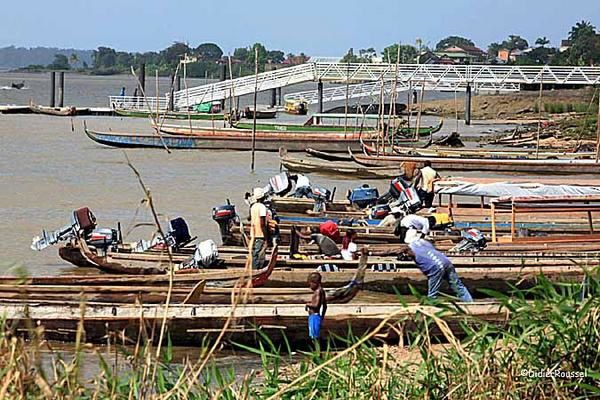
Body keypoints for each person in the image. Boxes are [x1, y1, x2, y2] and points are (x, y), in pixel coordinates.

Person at [403, 229, 473, 301]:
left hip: (435, 267)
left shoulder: (411, 247)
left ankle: (432, 305)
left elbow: (411, 254)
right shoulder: (425, 242)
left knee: (433, 292)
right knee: (458, 286)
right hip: (446, 262)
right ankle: (469, 302)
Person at [248, 187, 269, 269]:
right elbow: (262, 223)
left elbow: (250, 218)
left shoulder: (253, 206)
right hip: (260, 234)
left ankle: (253, 269)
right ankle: (255, 271)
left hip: (253, 233)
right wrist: (266, 236)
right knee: (258, 253)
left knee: (255, 253)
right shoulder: (262, 207)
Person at [306, 271, 327, 340]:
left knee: (314, 336)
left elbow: (316, 305)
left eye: (310, 284)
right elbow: (325, 306)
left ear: (315, 283)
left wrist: (308, 305)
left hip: (314, 316)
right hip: (317, 316)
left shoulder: (318, 291)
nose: (310, 286)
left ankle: (316, 349)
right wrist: (322, 317)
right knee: (315, 334)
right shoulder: (322, 291)